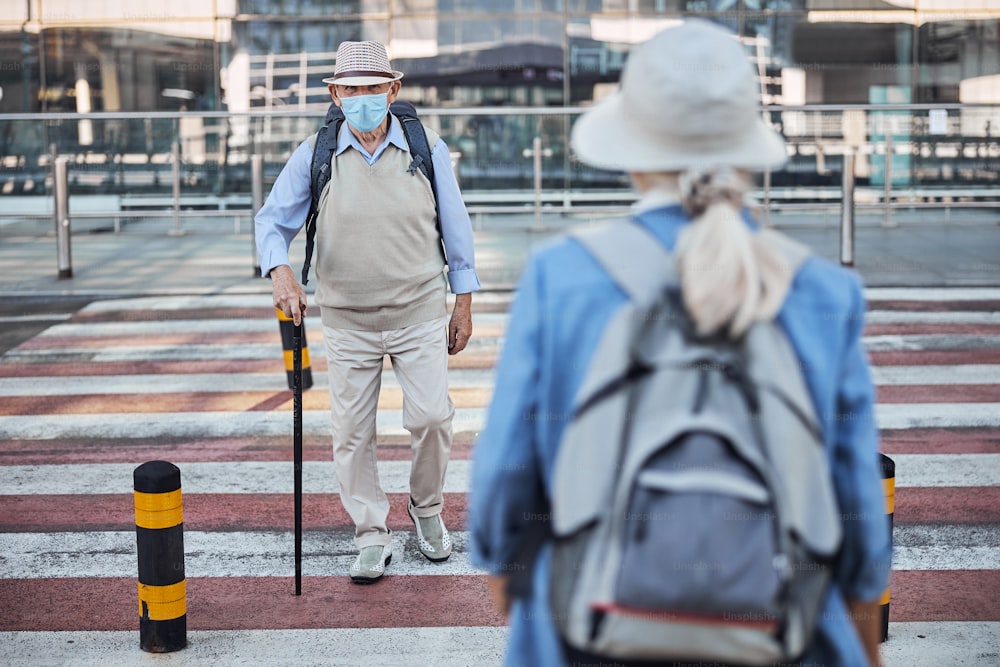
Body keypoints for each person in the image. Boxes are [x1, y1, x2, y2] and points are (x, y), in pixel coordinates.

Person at [468, 19, 891, 667]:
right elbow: (856, 502)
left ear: (633, 154)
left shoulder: (563, 277)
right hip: (784, 630)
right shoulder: (822, 292)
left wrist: (508, 575)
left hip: (586, 631)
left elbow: (504, 474)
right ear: (747, 151)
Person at [256, 40, 480, 584]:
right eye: (351, 90)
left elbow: (457, 230)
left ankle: (426, 510)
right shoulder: (316, 152)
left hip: (420, 311)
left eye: (372, 89)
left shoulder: (427, 148)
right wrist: (279, 270)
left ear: (393, 91)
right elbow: (271, 221)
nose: (362, 99)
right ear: (335, 95)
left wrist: (464, 303)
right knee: (352, 433)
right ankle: (370, 533)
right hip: (349, 321)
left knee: (431, 417)